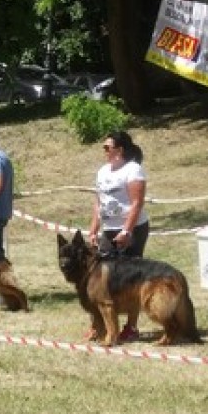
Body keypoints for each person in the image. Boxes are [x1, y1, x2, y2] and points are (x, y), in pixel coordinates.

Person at [88, 129, 148, 342]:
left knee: (130, 279)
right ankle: (100, 325)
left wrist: (127, 231)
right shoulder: (103, 171)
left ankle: (131, 327)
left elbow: (137, 203)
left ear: (119, 150)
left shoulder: (133, 170)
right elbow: (98, 203)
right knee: (100, 279)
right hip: (109, 229)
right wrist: (94, 229)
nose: (104, 150)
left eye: (107, 147)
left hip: (132, 229)